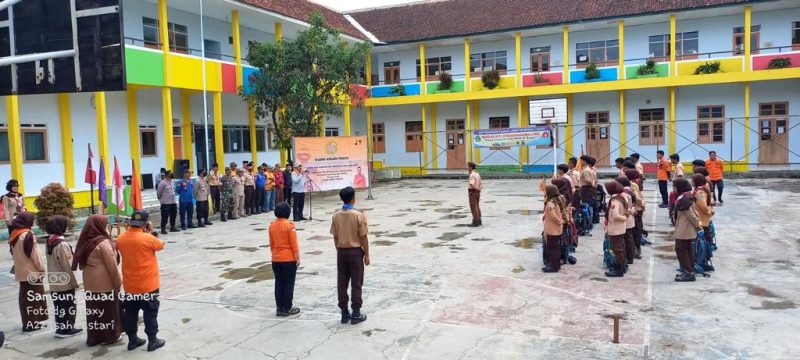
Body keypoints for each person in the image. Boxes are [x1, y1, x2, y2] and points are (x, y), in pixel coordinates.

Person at [117, 210, 166, 352]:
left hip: (130, 285)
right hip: (148, 285)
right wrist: (151, 231)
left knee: (131, 312)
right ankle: (152, 340)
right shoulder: (148, 238)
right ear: (146, 223)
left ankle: (132, 340)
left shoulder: (120, 238)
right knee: (150, 313)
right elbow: (161, 244)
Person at [72, 215, 123, 346]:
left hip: (89, 280)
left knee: (94, 310)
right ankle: (108, 337)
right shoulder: (103, 242)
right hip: (104, 280)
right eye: (104, 224)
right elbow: (111, 265)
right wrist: (117, 283)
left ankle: (94, 338)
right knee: (107, 310)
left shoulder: (86, 239)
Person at [331, 187, 370, 325]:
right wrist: (366, 254)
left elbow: (335, 237)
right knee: (356, 282)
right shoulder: (359, 215)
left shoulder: (336, 216)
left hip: (341, 252)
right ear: (353, 198)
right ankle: (356, 313)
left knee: (342, 283)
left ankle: (344, 313)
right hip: (355, 252)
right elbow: (363, 237)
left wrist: (339, 250)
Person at [9, 212, 49, 331]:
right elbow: (35, 255)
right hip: (31, 272)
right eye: (33, 220)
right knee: (34, 298)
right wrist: (41, 269)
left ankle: (28, 322)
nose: (34, 222)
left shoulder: (14, 234)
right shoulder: (28, 235)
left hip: (21, 272)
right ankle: (32, 324)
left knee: (25, 298)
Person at [45, 215, 83, 338]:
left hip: (54, 280)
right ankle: (66, 330)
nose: (66, 228)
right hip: (64, 282)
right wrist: (74, 282)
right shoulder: (62, 244)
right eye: (66, 225)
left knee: (59, 306)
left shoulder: (49, 241)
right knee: (68, 305)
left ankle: (61, 328)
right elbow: (68, 266)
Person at [270, 202, 301, 316]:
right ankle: (287, 307)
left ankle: (279, 307)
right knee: (288, 283)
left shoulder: (272, 225)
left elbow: (272, 243)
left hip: (276, 258)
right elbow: (294, 243)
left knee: (279, 283)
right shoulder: (290, 225)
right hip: (288, 259)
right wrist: (297, 257)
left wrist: (274, 254)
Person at [672, 178, 702, 282]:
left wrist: (698, 227)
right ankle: (689, 270)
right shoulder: (686, 196)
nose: (673, 188)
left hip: (684, 230)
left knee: (681, 250)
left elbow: (691, 215)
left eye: (674, 186)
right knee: (688, 250)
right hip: (686, 229)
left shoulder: (684, 200)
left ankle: (689, 272)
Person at [604, 181, 628, 278]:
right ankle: (622, 266)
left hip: (615, 228)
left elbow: (615, 215)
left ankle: (618, 270)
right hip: (620, 228)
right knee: (621, 248)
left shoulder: (615, 201)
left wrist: (624, 218)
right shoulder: (620, 198)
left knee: (617, 249)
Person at [615, 176, 639, 263]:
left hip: (626, 217)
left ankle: (629, 257)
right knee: (629, 238)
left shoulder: (624, 193)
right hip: (629, 217)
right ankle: (629, 256)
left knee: (627, 239)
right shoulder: (628, 191)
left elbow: (625, 207)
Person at [542, 185, 565, 273]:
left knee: (552, 249)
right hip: (555, 229)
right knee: (555, 248)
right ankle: (554, 264)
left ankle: (554, 266)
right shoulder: (555, 202)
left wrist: (559, 221)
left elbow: (553, 216)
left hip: (552, 230)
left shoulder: (550, 204)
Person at [692, 174, 715, 246]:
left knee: (705, 234)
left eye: (692, 180)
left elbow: (703, 205)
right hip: (702, 216)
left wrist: (708, 212)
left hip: (702, 217)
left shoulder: (700, 192)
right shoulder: (699, 190)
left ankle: (708, 251)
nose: (691, 181)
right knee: (706, 233)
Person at [467, 162, 482, 227]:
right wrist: (479, 189)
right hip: (477, 192)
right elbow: (481, 183)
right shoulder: (477, 174)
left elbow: (472, 184)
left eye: (468, 166)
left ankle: (475, 221)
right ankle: (479, 220)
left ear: (471, 167)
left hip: (473, 191)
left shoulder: (472, 175)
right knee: (477, 206)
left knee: (473, 207)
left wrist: (476, 189)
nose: (467, 168)